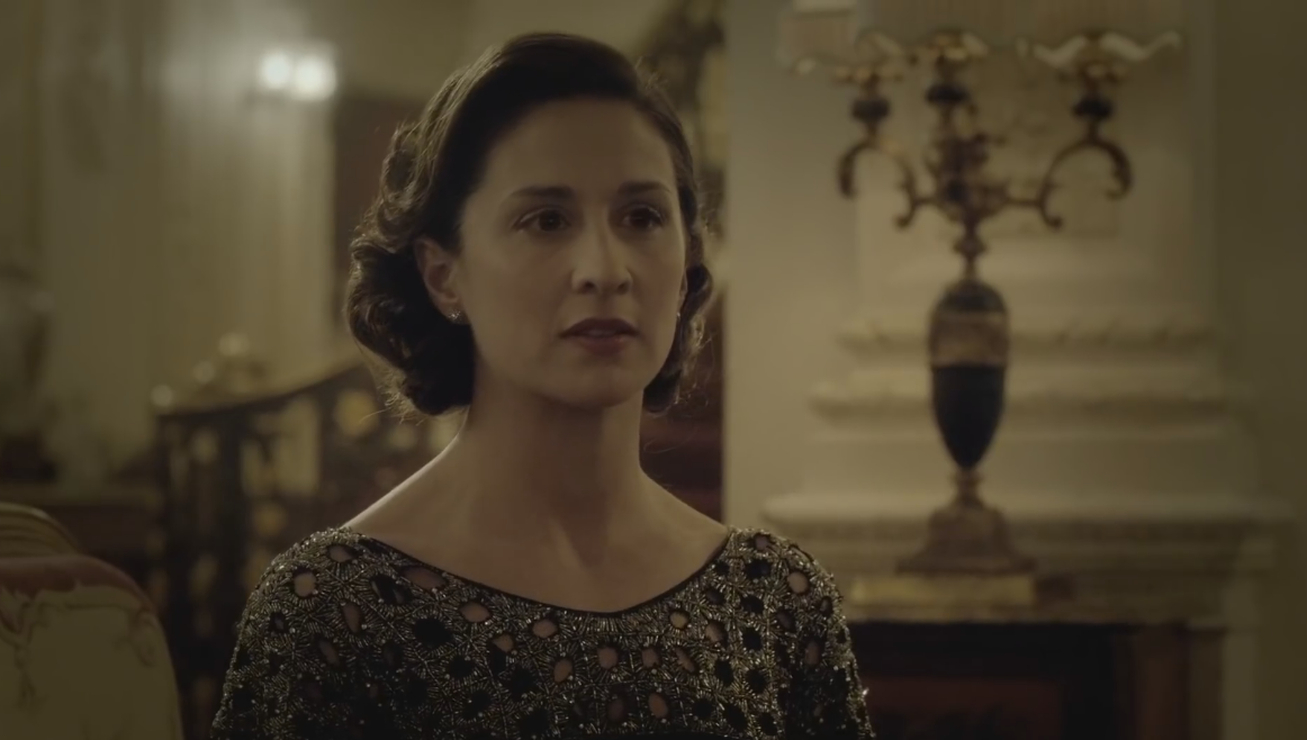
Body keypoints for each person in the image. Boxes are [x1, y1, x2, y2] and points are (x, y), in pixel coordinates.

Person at [209, 32, 876, 740]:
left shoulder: (774, 602)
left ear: (685, 265)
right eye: (547, 221)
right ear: (444, 275)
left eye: (642, 217)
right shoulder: (337, 610)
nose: (605, 269)